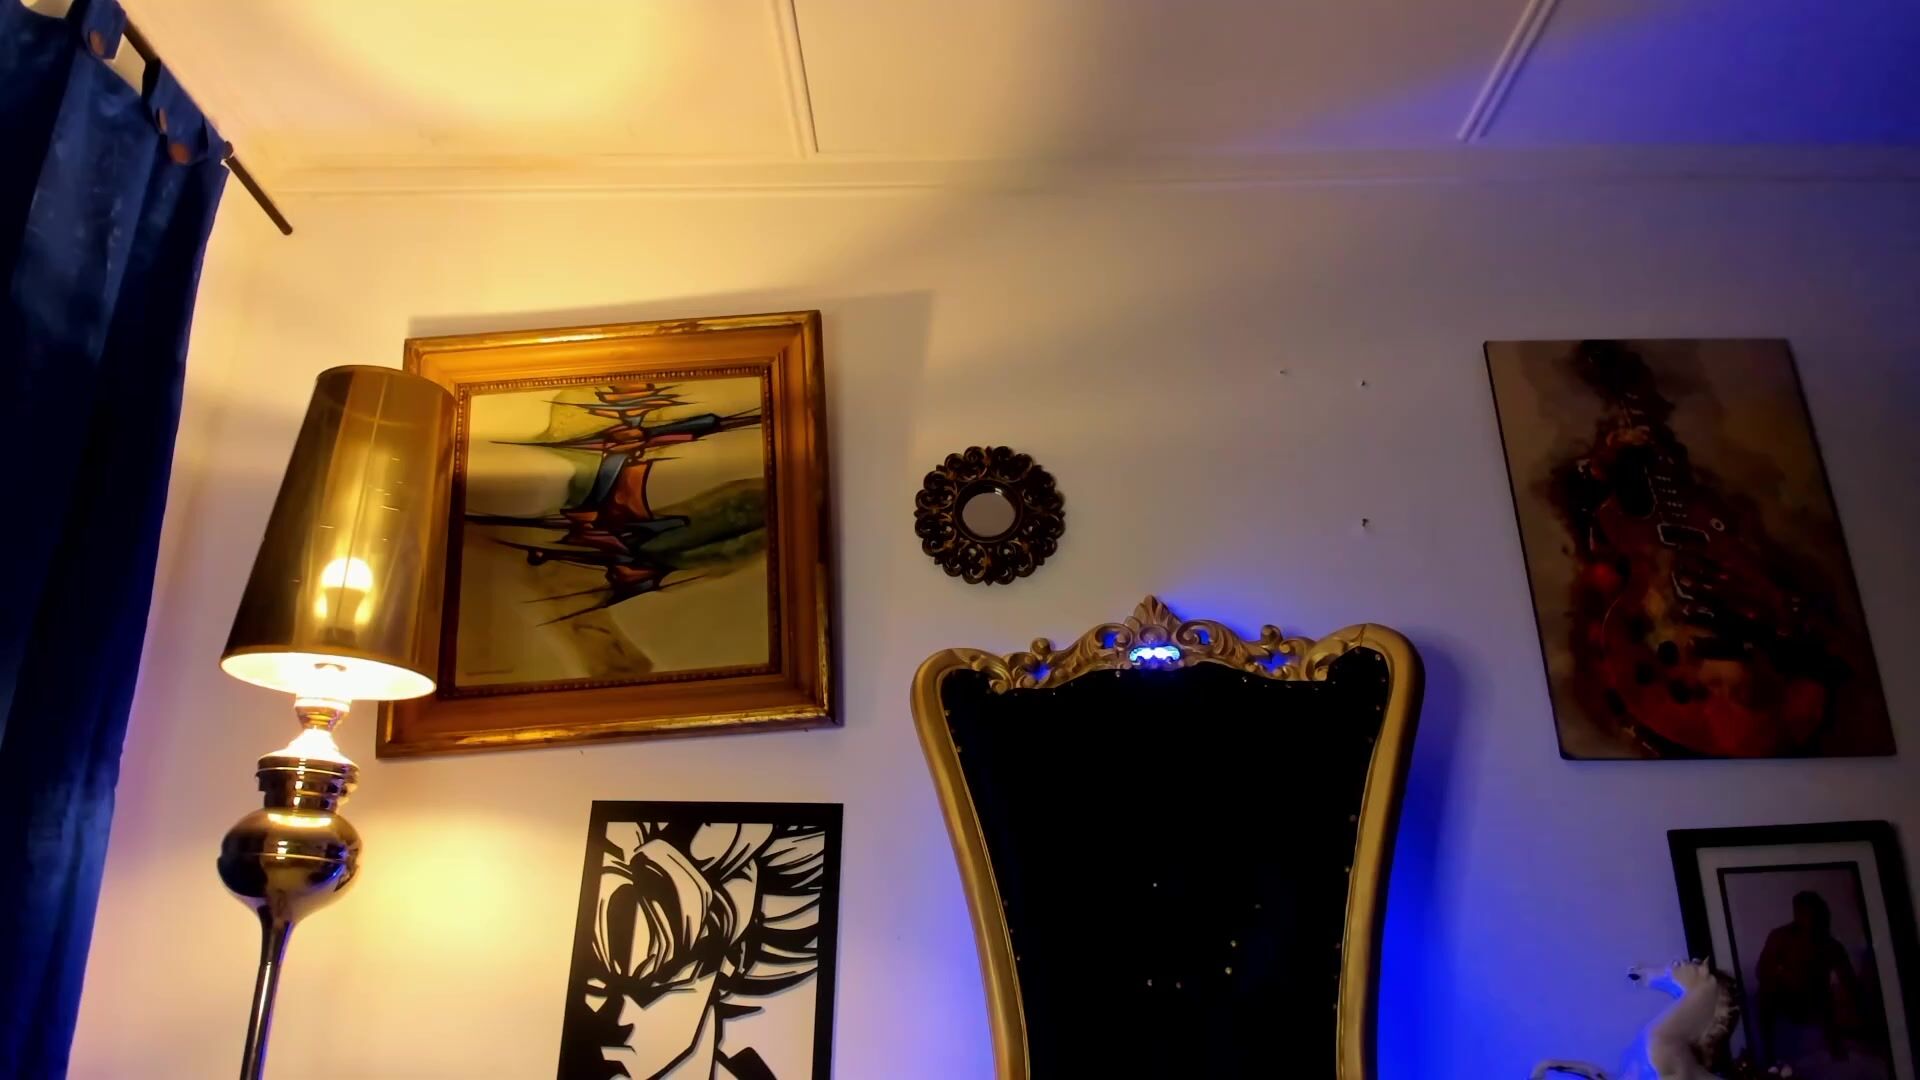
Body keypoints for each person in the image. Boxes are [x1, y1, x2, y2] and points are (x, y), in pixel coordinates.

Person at [1755, 890, 1886, 1079]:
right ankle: (1769, 1059)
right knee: (1765, 995)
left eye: (1812, 913)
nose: (1808, 918)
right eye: (1802, 913)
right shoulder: (1780, 936)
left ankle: (1838, 1050)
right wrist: (1783, 975)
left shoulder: (1831, 945)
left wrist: (1865, 1012)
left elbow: (1850, 983)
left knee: (1825, 996)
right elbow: (1761, 971)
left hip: (1815, 1000)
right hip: (1784, 997)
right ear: (1796, 914)